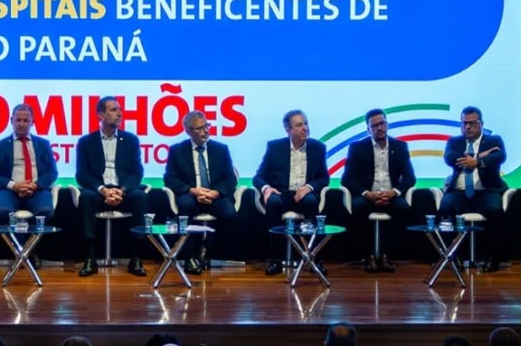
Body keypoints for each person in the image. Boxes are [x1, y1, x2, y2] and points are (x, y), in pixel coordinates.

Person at [75, 96, 149, 277]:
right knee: (86, 197)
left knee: (140, 197)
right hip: (99, 191)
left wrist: (122, 190)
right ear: (101, 115)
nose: (119, 114)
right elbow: (82, 174)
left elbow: (136, 172)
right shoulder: (86, 142)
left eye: (120, 110)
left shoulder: (131, 140)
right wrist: (103, 190)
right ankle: (90, 258)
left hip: (122, 189)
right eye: (114, 110)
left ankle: (136, 258)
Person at [252, 109, 330, 276]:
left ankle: (313, 258)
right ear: (288, 130)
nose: (305, 128)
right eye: (299, 125)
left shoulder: (318, 147)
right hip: (282, 193)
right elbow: (258, 177)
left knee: (311, 203)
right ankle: (275, 260)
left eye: (306, 124)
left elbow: (324, 178)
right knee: (273, 203)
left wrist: (308, 187)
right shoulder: (275, 147)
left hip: (304, 193)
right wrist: (266, 188)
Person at [340, 108, 416, 273]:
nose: (379, 128)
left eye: (382, 124)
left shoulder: (400, 146)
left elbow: (410, 178)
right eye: (375, 126)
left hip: (391, 194)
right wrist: (367, 194)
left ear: (387, 125)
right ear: (368, 129)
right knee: (357, 208)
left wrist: (394, 192)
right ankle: (369, 256)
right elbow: (347, 179)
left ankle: (386, 255)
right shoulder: (357, 148)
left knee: (403, 208)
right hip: (368, 195)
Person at [163, 110, 239, 275]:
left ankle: (206, 248)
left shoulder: (221, 149)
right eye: (200, 128)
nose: (206, 131)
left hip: (215, 195)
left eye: (207, 126)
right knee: (185, 207)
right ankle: (189, 256)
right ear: (188, 132)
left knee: (230, 214)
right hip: (191, 194)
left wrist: (216, 192)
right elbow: (169, 178)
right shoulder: (177, 150)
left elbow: (231, 178)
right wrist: (192, 190)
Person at [436, 106, 508, 272]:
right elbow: (449, 158)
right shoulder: (454, 142)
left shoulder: (494, 140)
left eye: (472, 123)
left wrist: (477, 162)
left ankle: (493, 259)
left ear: (481, 124)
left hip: (486, 191)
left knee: (495, 209)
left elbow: (500, 156)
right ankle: (452, 257)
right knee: (445, 206)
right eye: (464, 123)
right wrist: (479, 156)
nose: (467, 127)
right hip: (459, 192)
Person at [0, 103, 57, 220]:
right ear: (11, 121)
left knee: (45, 211)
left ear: (32, 122)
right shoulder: (1, 145)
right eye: (18, 120)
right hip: (9, 191)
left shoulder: (43, 144)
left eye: (26, 120)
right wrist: (14, 186)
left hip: (37, 190)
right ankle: (13, 233)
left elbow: (52, 172)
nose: (21, 124)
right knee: (4, 211)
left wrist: (35, 185)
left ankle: (33, 233)